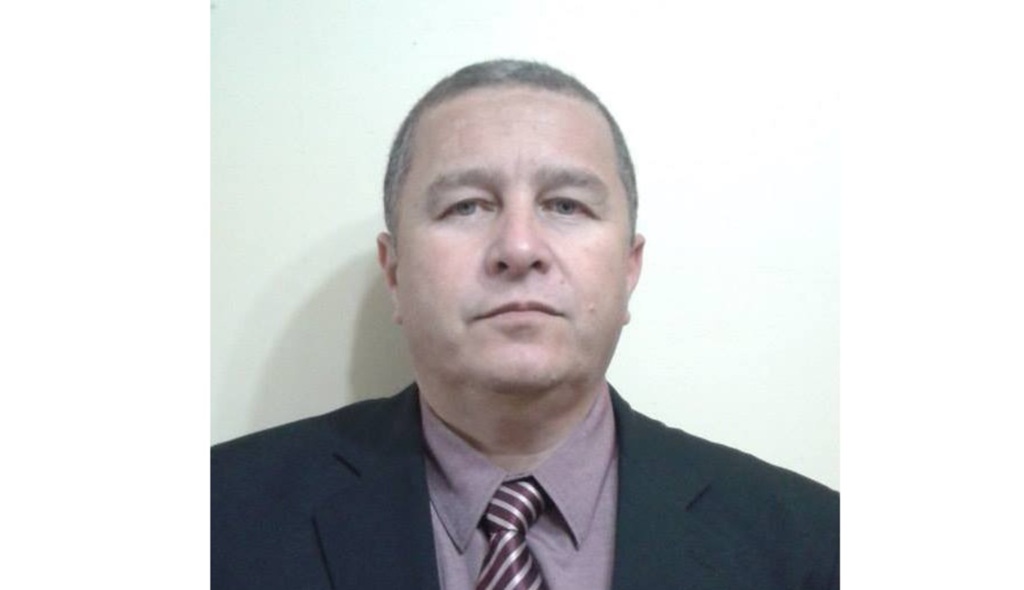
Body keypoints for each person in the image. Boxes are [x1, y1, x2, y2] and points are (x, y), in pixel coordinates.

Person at [211, 59, 839, 590]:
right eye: (467, 206)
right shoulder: (217, 517)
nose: (518, 247)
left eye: (565, 205)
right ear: (394, 272)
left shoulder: (817, 544)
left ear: (628, 270)